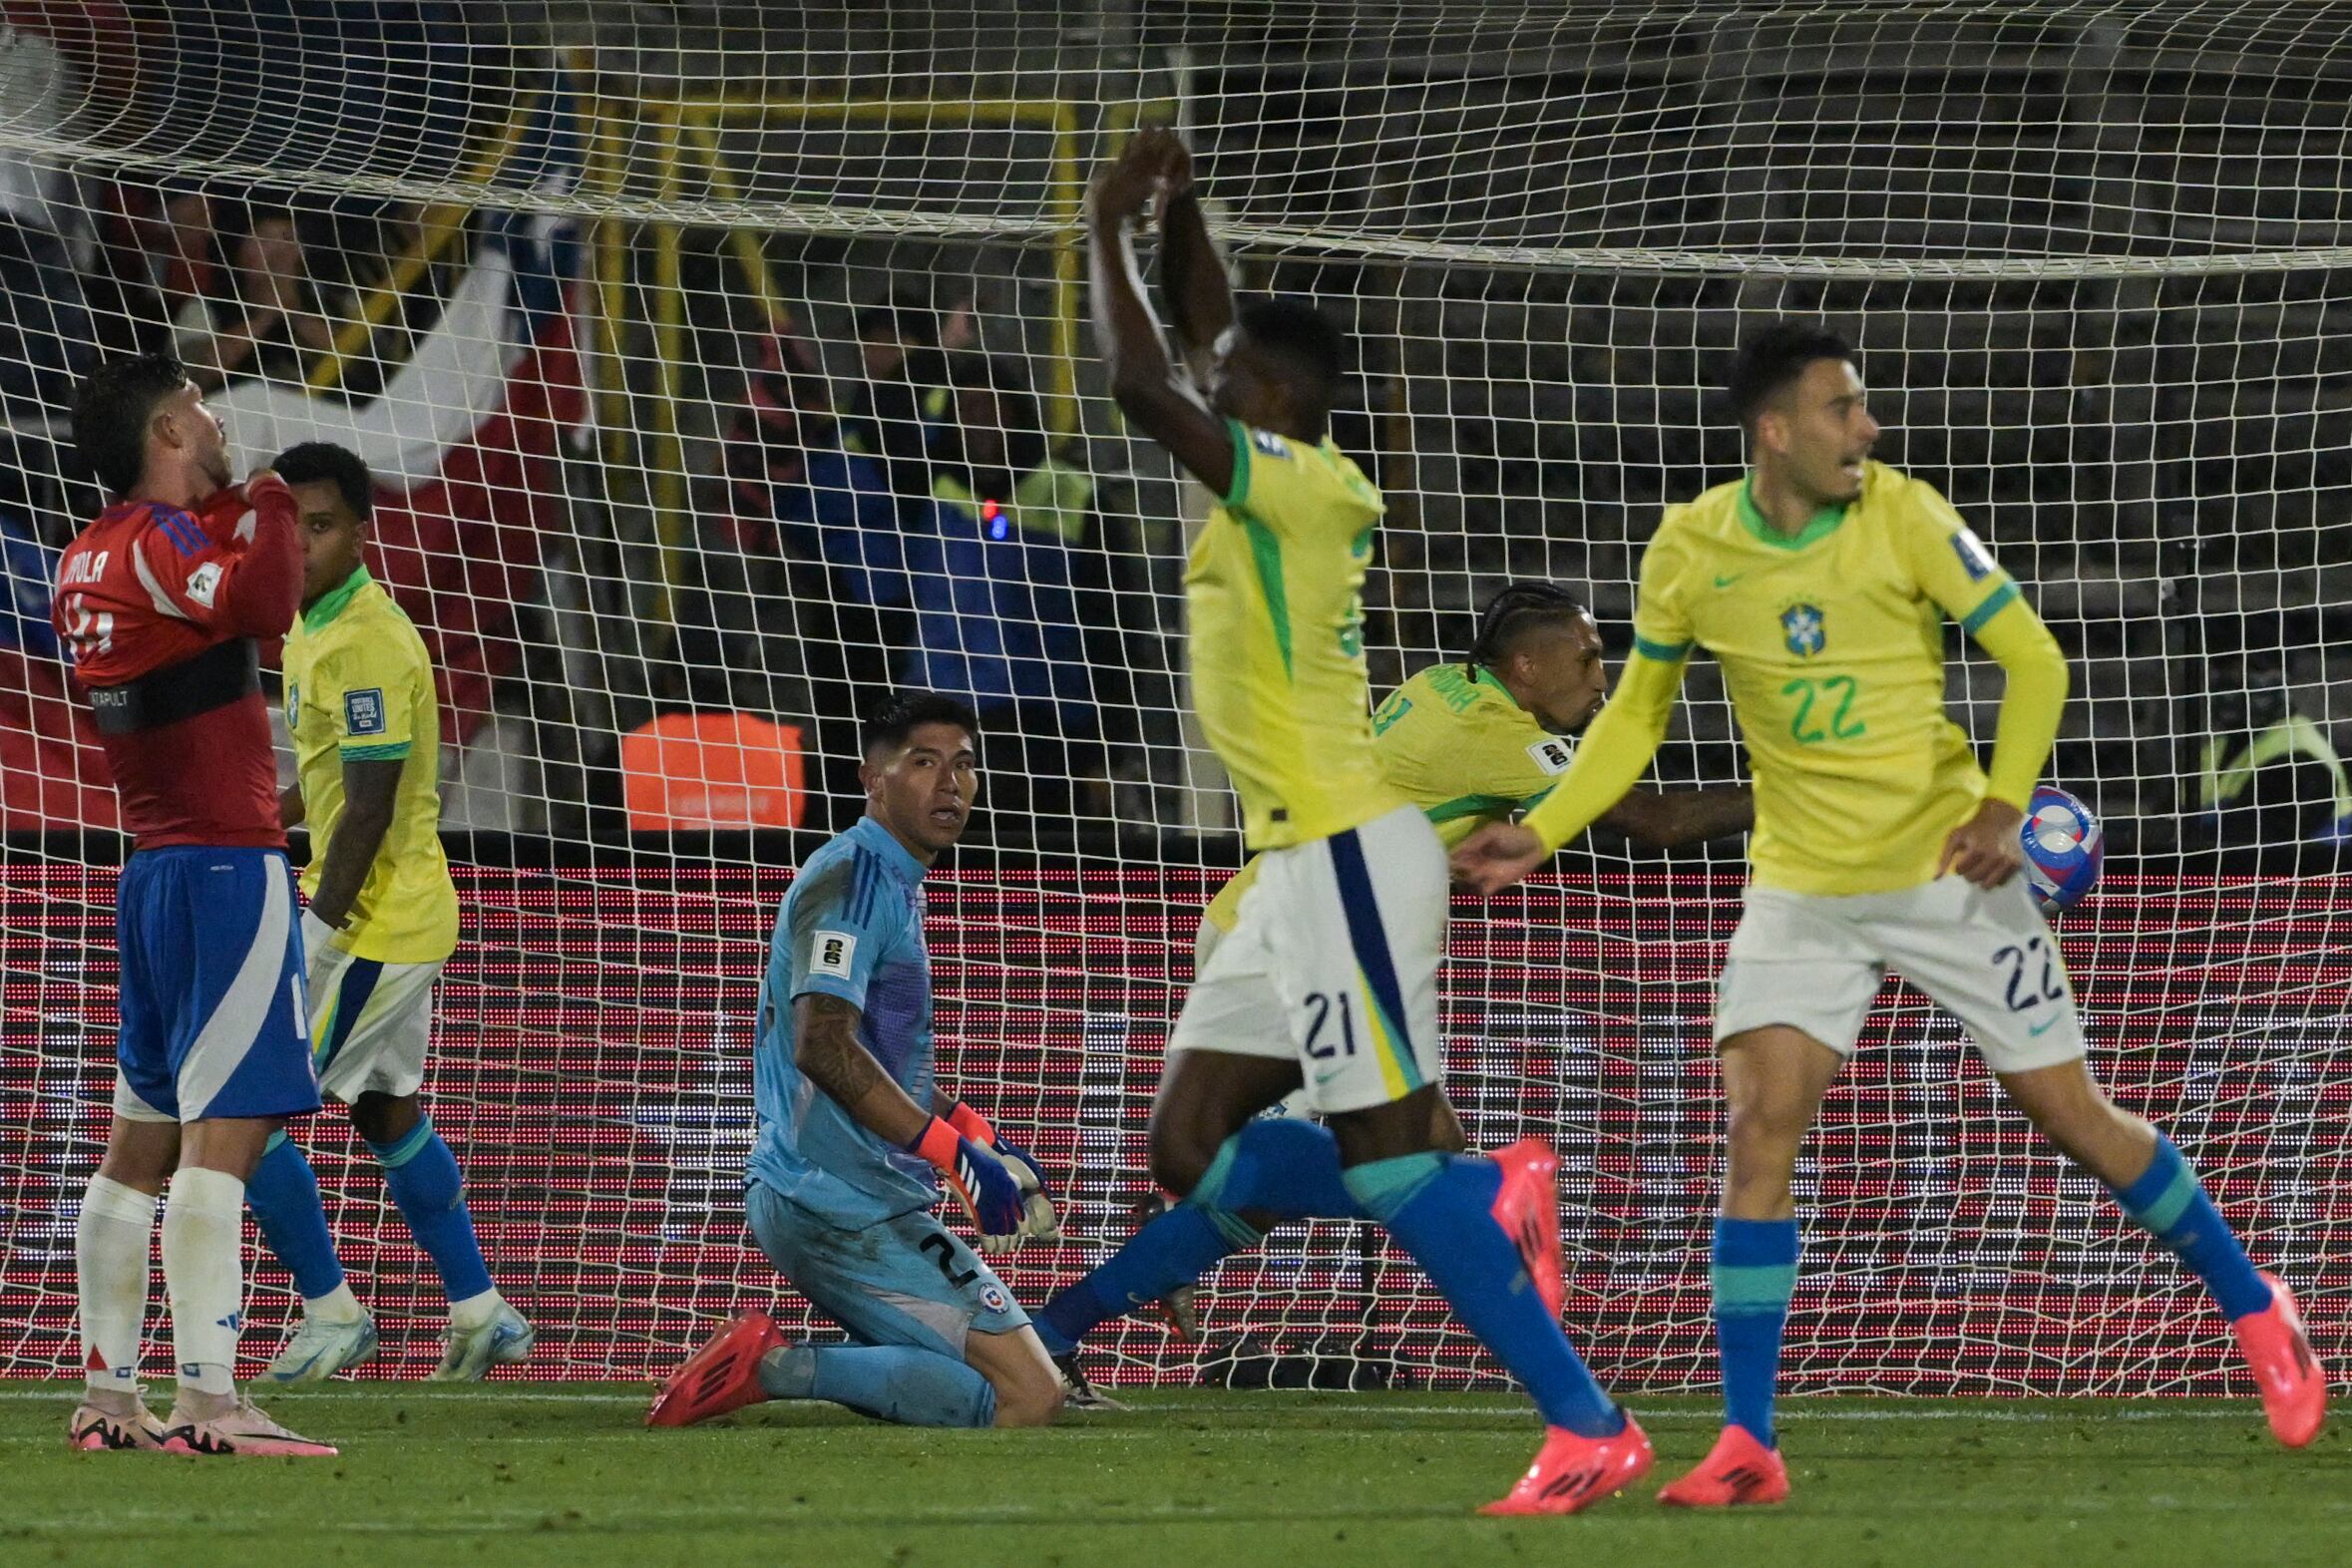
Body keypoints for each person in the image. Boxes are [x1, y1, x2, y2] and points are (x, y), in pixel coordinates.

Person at [1453, 321, 2328, 1505]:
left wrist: (2007, 807)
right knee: (1758, 1131)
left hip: (1942, 869)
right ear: (1774, 430)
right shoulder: (1690, 550)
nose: (1867, 428)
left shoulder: (1907, 516)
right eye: (1840, 408)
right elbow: (1634, 721)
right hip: (1802, 887)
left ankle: (2252, 1301)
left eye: (1862, 406)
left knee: (2070, 1115)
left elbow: (2036, 659)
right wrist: (1547, 828)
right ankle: (1748, 1442)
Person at [1085, 127, 1654, 1515]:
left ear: (1269, 400)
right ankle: (1492, 1185)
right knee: (1185, 1148)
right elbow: (1209, 338)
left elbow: (1139, 380)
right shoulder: (1290, 471)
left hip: (1347, 848)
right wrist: (1182, 213)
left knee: (1390, 1161)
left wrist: (1101, 229)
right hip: (1290, 861)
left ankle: (1586, 1423)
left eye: (1235, 384)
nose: (1215, 386)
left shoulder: (1296, 485)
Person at [1036, 583, 1755, 1396]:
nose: (1601, 679)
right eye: (1587, 657)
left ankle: (1073, 1315)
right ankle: (1537, 1328)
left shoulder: (1439, 687)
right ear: (1525, 664)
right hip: (1301, 940)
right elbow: (1650, 823)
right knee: (1419, 1166)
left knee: (1329, 1176)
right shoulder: (1489, 730)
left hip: (1294, 928)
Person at [645, 692, 1067, 1431]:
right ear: (872, 778)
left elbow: (881, 1062)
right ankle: (771, 1367)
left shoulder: (891, 880)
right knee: (1028, 1398)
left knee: (991, 1389)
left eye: (964, 765)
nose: (950, 784)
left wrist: (973, 1131)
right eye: (924, 763)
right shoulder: (851, 884)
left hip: (844, 1194)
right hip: (834, 1203)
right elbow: (823, 1045)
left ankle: (794, 1367)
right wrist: (953, 1158)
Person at [51, 353, 332, 1456]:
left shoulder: (85, 558)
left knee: (137, 1147)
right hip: (226, 866)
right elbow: (267, 598)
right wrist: (260, 494)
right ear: (170, 424)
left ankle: (107, 1398)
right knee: (226, 1140)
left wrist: (222, 507)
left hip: (152, 870)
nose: (219, 424)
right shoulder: (165, 543)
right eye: (204, 412)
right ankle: (210, 1402)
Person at [239, 440, 534, 1384]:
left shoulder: (363, 636)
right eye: (294, 527)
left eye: (323, 525)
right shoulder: (309, 623)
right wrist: (261, 817)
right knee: (384, 1109)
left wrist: (317, 933)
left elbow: (369, 805)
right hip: (389, 907)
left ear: (361, 530)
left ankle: (332, 1316)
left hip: (374, 919)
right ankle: (484, 1310)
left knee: (250, 1113)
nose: (307, 543)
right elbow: (336, 784)